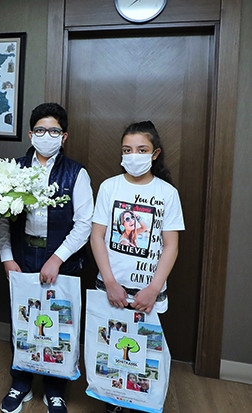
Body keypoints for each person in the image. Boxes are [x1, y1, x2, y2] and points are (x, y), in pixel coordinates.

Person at [0, 102, 93, 413]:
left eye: (54, 131)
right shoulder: (13, 170)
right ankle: (20, 383)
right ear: (30, 134)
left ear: (64, 136)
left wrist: (57, 259)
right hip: (22, 257)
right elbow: (1, 218)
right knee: (22, 321)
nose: (46, 136)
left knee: (58, 324)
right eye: (40, 130)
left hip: (61, 260)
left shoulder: (76, 173)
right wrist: (7, 257)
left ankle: (55, 389)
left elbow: (84, 224)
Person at [90, 121, 184, 413]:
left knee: (142, 354)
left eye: (142, 150)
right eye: (127, 150)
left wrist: (153, 289)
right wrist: (110, 282)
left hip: (148, 294)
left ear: (155, 153)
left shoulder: (167, 193)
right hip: (111, 288)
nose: (134, 156)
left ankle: (140, 402)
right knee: (112, 349)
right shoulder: (109, 187)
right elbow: (97, 236)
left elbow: (171, 246)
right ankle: (113, 401)